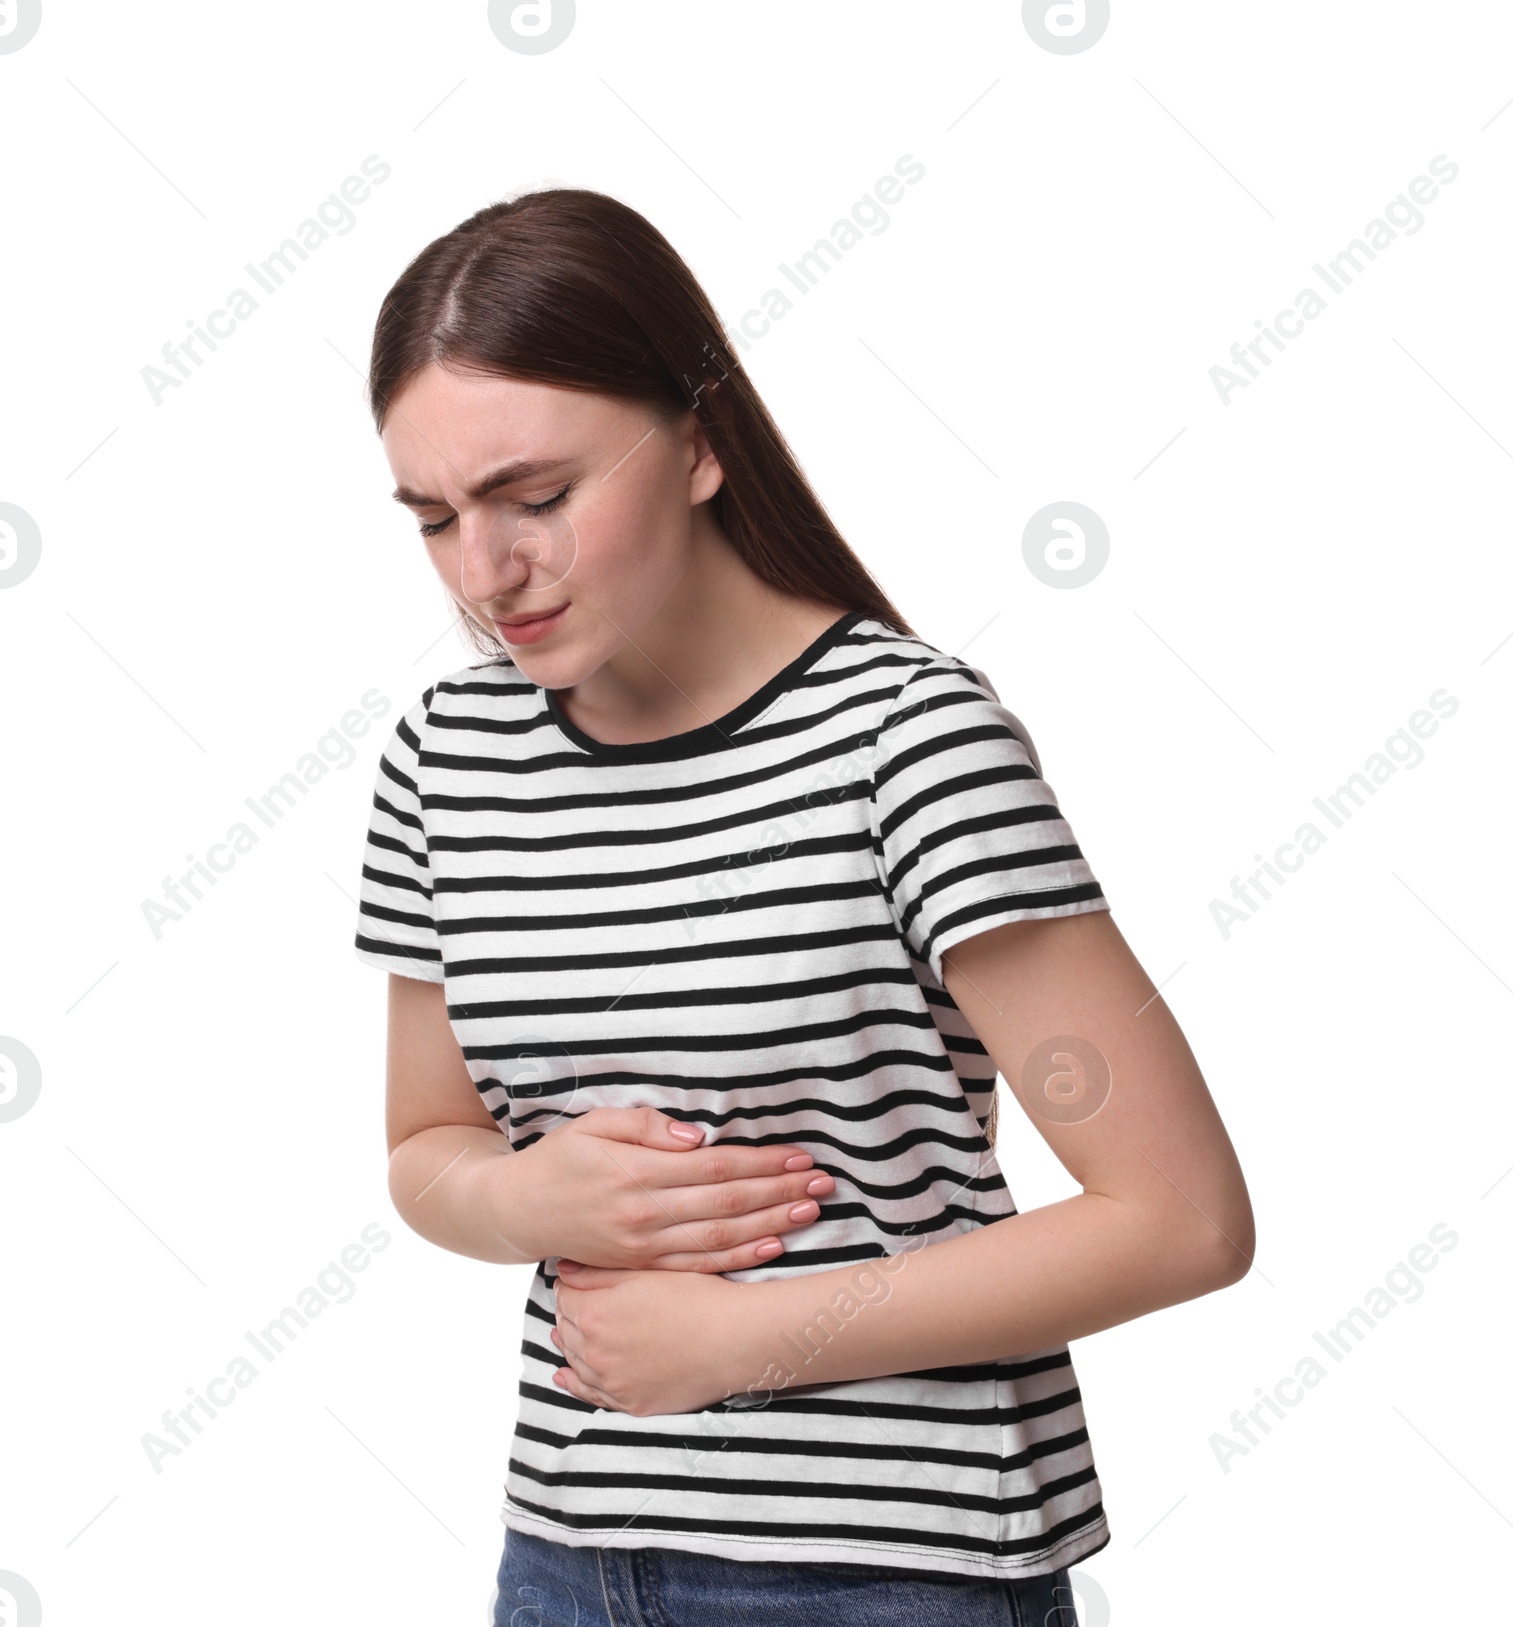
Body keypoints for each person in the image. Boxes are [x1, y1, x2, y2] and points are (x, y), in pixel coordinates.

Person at [352, 186, 1255, 1627]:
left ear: (701, 442)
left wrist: (742, 1342)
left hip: (898, 1577)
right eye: (436, 518)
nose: (487, 574)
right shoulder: (446, 762)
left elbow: (1183, 1216)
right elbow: (424, 1144)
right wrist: (527, 1192)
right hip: (569, 1563)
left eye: (538, 498)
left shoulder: (910, 741)